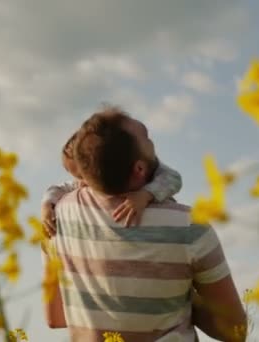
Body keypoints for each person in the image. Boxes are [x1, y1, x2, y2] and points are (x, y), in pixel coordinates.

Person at [43, 106, 247, 341]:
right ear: (139, 169)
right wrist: (180, 294)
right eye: (147, 138)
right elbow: (235, 331)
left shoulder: (56, 218)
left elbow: (56, 317)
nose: (153, 143)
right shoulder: (190, 228)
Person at [40, 130, 183, 237]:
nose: (81, 183)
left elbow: (173, 178)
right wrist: (47, 205)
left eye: (83, 176)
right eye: (77, 177)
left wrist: (145, 195)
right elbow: (59, 188)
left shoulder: (148, 165)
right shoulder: (83, 184)